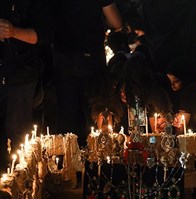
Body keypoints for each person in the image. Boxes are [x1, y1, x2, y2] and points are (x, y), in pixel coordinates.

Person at [51, 0, 122, 147]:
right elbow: (116, 22)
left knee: (68, 119)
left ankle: (71, 164)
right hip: (92, 59)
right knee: (96, 114)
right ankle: (98, 162)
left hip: (64, 57)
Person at [0, 0, 53, 170]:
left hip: (21, 75)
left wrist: (13, 32)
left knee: (18, 137)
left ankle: (21, 186)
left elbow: (43, 35)